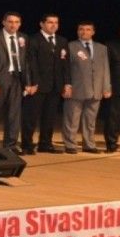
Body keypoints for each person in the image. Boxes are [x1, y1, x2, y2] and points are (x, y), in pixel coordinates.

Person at [0, 11, 34, 153]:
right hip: (1, 78)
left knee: (14, 114)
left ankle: (10, 144)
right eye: (10, 22)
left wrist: (28, 82)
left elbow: (26, 62)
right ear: (4, 22)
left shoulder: (23, 37)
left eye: (16, 22)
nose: (13, 25)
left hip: (17, 79)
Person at [23, 14, 70, 154]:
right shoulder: (33, 39)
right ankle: (27, 145)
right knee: (31, 117)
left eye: (56, 22)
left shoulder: (62, 40)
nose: (53, 25)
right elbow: (31, 63)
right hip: (38, 85)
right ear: (41, 24)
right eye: (50, 22)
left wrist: (67, 84)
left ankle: (45, 144)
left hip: (55, 86)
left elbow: (65, 64)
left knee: (49, 117)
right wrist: (32, 82)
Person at [62, 21, 111, 154]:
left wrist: (106, 87)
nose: (84, 32)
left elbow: (105, 68)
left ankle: (89, 144)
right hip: (76, 89)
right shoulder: (70, 46)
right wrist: (66, 85)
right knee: (72, 118)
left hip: (96, 89)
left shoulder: (102, 48)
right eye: (81, 29)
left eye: (88, 29)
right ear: (77, 31)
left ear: (93, 32)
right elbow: (65, 69)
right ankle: (70, 144)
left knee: (90, 120)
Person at [105, 26, 120, 153]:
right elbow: (105, 68)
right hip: (116, 87)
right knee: (113, 117)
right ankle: (111, 143)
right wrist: (107, 85)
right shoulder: (111, 46)